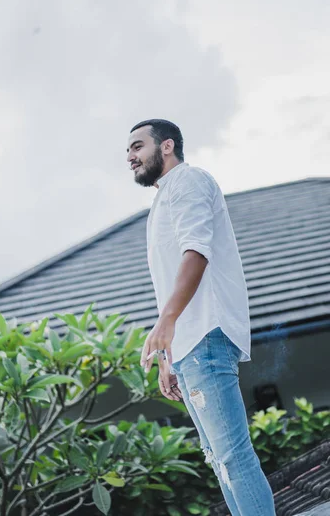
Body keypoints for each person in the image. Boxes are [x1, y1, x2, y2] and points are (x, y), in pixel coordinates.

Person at [126, 119, 276, 516]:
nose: (130, 156)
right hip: (188, 346)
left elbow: (197, 251)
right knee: (218, 458)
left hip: (207, 334)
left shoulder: (188, 181)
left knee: (232, 456)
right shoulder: (161, 201)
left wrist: (166, 324)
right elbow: (169, 283)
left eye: (138, 147)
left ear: (168, 146)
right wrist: (167, 356)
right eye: (128, 150)